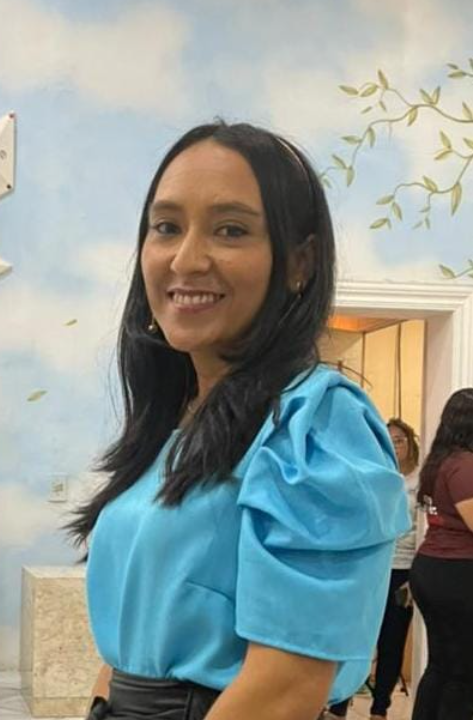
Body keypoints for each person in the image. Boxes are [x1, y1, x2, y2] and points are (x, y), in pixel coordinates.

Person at [67, 121, 410, 720]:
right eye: (166, 227)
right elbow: (135, 638)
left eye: (230, 230)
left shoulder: (316, 424)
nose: (187, 259)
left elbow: (286, 687)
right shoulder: (173, 423)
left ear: (299, 261)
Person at [325, 418, 420, 719]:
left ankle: (380, 709)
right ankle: (338, 705)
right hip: (370, 568)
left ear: (411, 444)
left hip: (403, 569)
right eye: (388, 440)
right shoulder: (372, 474)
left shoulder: (421, 481)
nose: (394, 445)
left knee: (392, 641)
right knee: (357, 638)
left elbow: (425, 530)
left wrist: (417, 576)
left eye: (400, 439)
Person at [409, 388, 473, 720]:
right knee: (463, 672)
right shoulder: (465, 465)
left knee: (441, 664)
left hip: (433, 568)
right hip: (457, 572)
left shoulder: (440, 462)